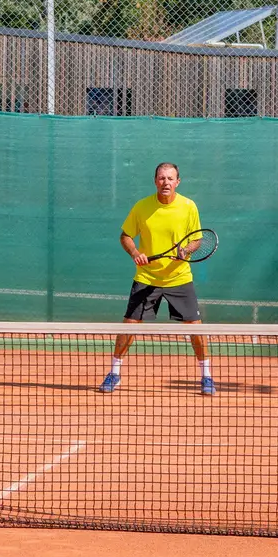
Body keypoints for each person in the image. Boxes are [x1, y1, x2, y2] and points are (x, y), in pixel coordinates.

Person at [102, 161, 213, 395]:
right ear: (155, 181)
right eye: (162, 178)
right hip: (147, 277)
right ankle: (114, 373)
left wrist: (186, 251)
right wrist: (135, 253)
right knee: (129, 326)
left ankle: (206, 376)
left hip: (179, 277)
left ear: (177, 182)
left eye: (170, 178)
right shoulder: (142, 207)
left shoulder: (188, 206)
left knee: (196, 329)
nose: (166, 182)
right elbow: (126, 236)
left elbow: (198, 239)